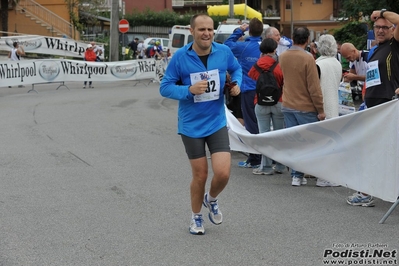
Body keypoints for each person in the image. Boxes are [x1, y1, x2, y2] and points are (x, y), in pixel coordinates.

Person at [159, 14, 242, 235]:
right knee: (200, 175)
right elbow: (165, 87)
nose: (207, 33)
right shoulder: (180, 58)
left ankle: (211, 199)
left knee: (223, 173)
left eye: (210, 29)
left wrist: (237, 85)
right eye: (202, 29)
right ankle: (196, 217)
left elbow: (237, 69)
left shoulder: (223, 51)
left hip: (216, 121)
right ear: (192, 31)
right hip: (191, 125)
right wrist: (188, 90)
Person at [346, 9, 399, 207]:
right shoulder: (376, 49)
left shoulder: (395, 44)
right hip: (373, 104)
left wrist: (382, 12)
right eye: (377, 27)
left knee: (376, 151)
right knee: (374, 150)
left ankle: (366, 192)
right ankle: (370, 190)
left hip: (389, 104)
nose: (381, 30)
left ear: (393, 30)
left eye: (386, 27)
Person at [279, 27, 326, 186]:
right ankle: (320, 176)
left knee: (295, 142)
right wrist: (320, 109)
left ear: (292, 38)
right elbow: (314, 87)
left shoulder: (283, 56)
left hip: (288, 104)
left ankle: (296, 176)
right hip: (305, 106)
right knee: (312, 142)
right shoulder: (308, 59)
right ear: (307, 40)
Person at [224, 17, 264, 169]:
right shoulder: (265, 46)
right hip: (266, 90)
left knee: (251, 124)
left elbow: (227, 45)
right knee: (264, 123)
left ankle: (255, 158)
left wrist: (239, 30)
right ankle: (265, 157)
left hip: (248, 89)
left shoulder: (244, 47)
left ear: (250, 30)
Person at [248, 38, 286, 175]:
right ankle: (281, 166)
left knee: (264, 136)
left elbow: (251, 76)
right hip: (278, 102)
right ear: (275, 49)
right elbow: (283, 80)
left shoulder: (257, 64)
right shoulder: (279, 64)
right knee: (279, 135)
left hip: (261, 102)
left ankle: (266, 167)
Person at [314, 34, 342, 187]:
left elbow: (315, 87)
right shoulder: (337, 63)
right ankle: (329, 175)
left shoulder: (318, 64)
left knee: (320, 142)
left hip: (321, 107)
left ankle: (322, 177)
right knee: (331, 142)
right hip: (333, 105)